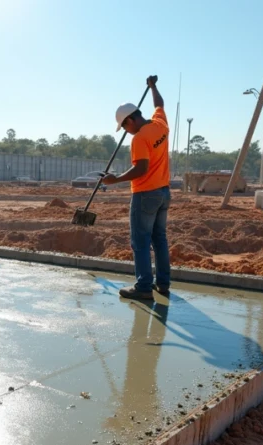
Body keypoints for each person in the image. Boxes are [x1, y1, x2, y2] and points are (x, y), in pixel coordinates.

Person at [101, 75, 171, 301]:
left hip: (145, 194)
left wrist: (115, 180)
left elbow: (141, 169)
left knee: (140, 242)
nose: (125, 131)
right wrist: (154, 87)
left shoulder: (139, 139)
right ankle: (163, 283)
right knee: (159, 239)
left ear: (130, 121)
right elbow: (159, 104)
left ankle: (143, 288)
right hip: (163, 192)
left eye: (124, 127)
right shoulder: (160, 124)